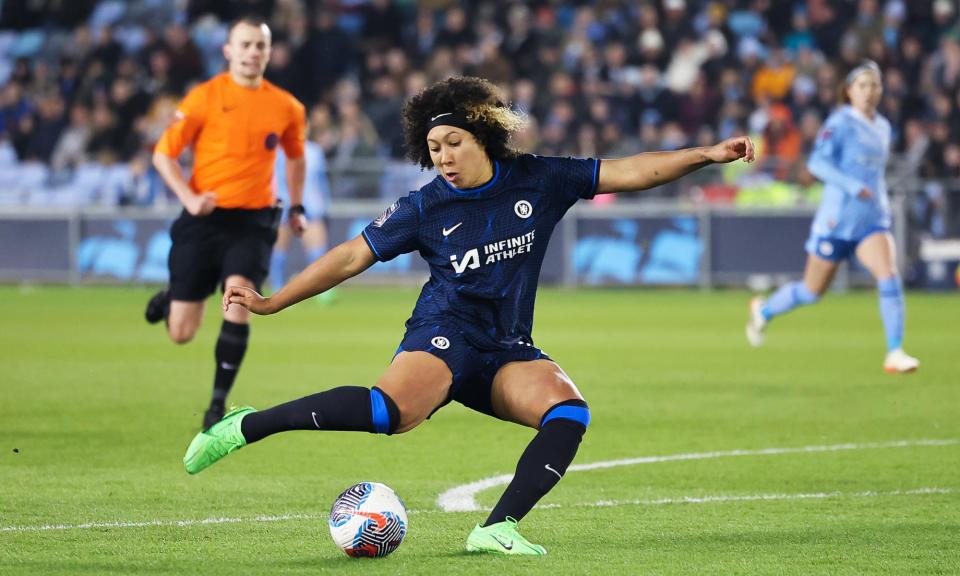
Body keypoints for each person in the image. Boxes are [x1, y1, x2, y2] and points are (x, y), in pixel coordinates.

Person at [183, 76, 755, 555]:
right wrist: (273, 300)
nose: (444, 158)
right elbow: (352, 255)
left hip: (505, 343)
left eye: (453, 143)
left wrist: (705, 155)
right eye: (434, 150)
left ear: (483, 135)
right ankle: (245, 425)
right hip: (445, 330)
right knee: (391, 414)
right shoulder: (425, 206)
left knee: (569, 414)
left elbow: (631, 172)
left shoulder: (540, 177)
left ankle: (496, 527)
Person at [145, 16, 308, 430]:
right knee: (181, 332)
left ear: (269, 53)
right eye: (246, 44)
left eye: (260, 46)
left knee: (238, 303)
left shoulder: (287, 106)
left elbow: (296, 156)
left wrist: (297, 206)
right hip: (204, 220)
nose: (254, 52)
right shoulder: (204, 97)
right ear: (229, 51)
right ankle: (173, 297)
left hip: (253, 221)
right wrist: (189, 197)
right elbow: (163, 154)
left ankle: (216, 405)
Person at [746, 61, 919, 374]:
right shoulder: (840, 123)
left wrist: (879, 200)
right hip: (836, 221)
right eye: (862, 86)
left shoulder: (883, 126)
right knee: (811, 292)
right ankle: (764, 309)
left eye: (873, 85)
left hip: (870, 221)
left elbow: (874, 174)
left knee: (889, 275)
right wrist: (853, 186)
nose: (868, 92)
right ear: (849, 91)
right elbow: (817, 164)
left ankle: (895, 351)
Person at [268, 120, 336, 304]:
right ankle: (278, 289)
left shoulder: (314, 151)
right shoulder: (278, 152)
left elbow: (321, 181)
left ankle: (322, 291)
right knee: (279, 251)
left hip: (310, 207)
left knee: (318, 252)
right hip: (284, 206)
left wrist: (324, 204)